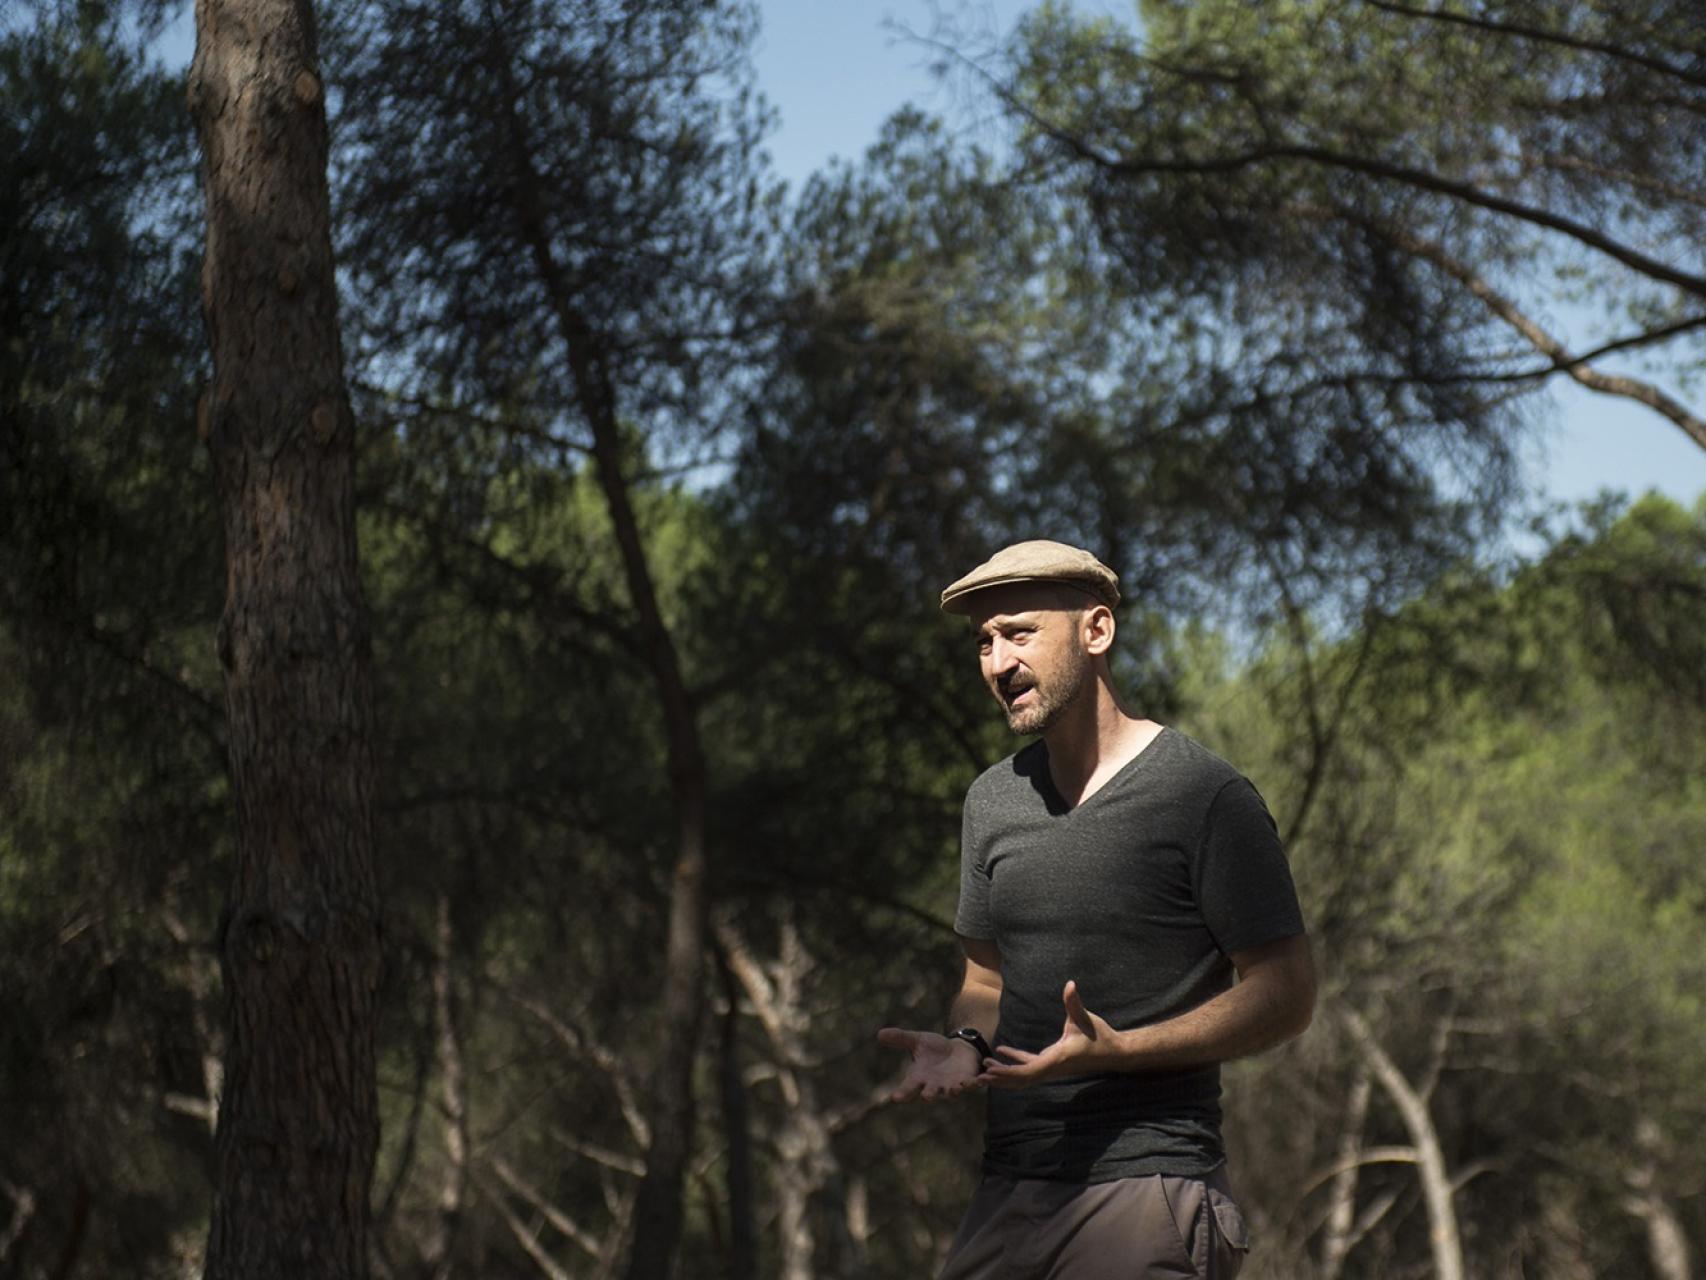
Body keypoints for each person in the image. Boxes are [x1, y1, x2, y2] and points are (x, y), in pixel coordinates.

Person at [877, 540, 1315, 1280]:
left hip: (1147, 1185)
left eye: (1019, 633)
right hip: (1008, 1190)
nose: (997, 662)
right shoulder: (992, 801)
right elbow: (984, 981)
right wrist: (965, 1042)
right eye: (984, 642)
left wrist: (1122, 1051)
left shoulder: (1204, 797)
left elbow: (1288, 993)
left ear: (1097, 630)